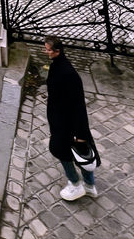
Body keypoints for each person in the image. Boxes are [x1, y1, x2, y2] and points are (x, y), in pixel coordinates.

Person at [44, 35, 99, 200]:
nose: (45, 52)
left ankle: (75, 184)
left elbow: (78, 105)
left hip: (66, 123)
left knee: (65, 153)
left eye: (47, 49)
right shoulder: (59, 67)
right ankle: (89, 185)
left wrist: (81, 133)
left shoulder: (67, 73)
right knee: (80, 154)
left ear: (56, 51)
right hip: (63, 120)